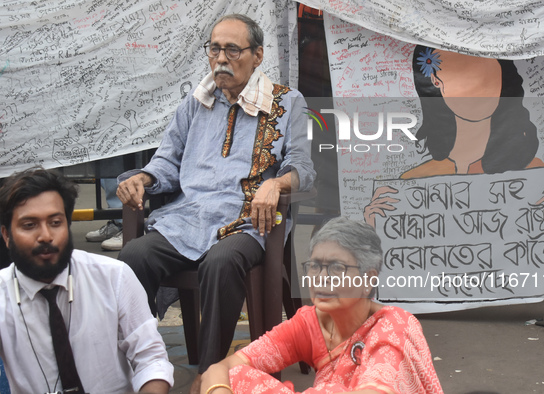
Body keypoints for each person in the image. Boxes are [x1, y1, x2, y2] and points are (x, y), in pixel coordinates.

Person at [116, 13, 315, 383]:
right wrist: (142, 177)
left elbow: (303, 166)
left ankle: (209, 375)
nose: (221, 59)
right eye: (214, 49)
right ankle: (139, 367)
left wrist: (276, 184)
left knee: (221, 263)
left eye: (232, 50)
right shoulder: (197, 102)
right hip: (187, 219)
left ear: (257, 55)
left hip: (247, 222)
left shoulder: (287, 103)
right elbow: (168, 161)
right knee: (132, 257)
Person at [198, 217, 443, 394]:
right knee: (236, 378)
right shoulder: (311, 322)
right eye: (314, 265)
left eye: (337, 267)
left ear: (368, 280)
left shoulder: (393, 328)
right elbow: (222, 369)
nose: (321, 277)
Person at [0, 167, 174, 393]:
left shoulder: (114, 277)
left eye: (55, 222)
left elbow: (151, 359)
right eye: (29, 225)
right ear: (6, 235)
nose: (45, 236)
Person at [364, 46, 544, 230]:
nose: (476, 92)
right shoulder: (411, 186)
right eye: (461, 79)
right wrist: (379, 233)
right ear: (436, 81)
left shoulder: (533, 177)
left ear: (502, 79)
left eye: (485, 78)